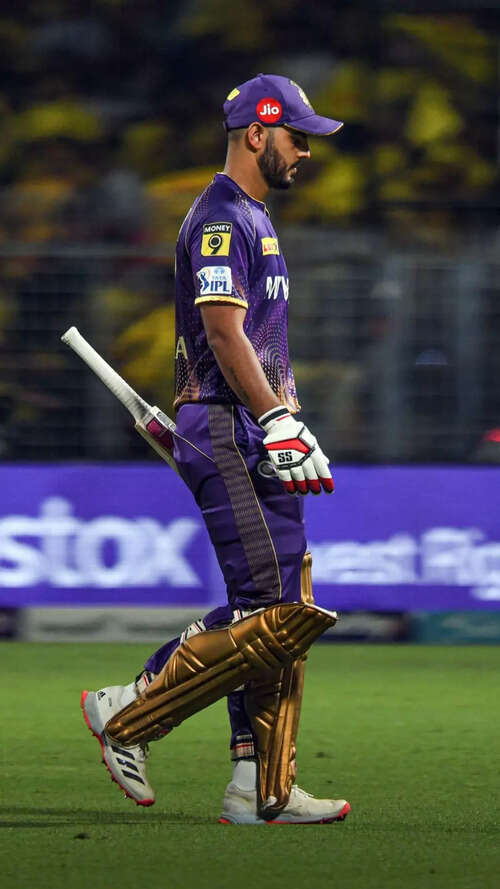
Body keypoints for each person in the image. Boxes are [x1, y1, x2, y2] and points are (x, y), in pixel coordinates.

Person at [81, 74, 350, 825]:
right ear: (257, 133)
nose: (306, 151)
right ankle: (130, 713)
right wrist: (275, 419)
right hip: (231, 426)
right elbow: (225, 333)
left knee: (279, 604)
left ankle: (259, 784)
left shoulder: (252, 217)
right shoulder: (222, 220)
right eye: (297, 136)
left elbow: (257, 341)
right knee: (273, 607)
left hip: (253, 425)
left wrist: (291, 421)